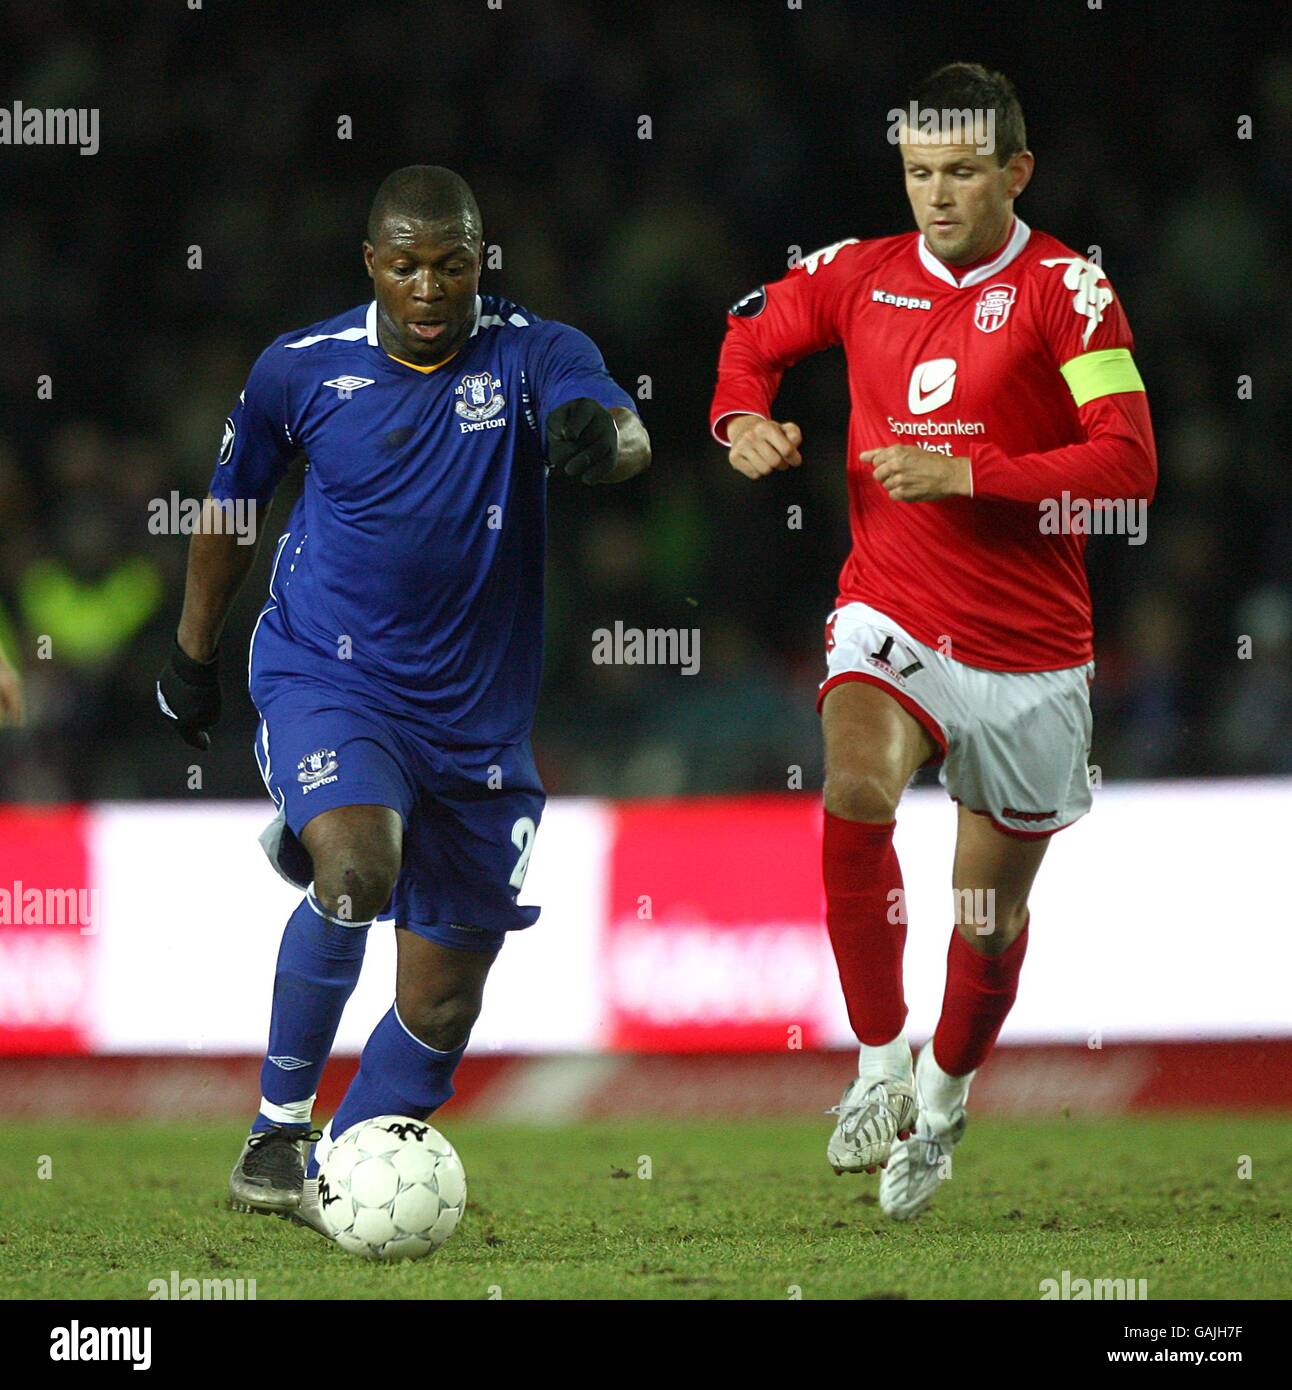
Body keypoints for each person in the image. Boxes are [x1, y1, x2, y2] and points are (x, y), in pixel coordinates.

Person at [158, 165, 649, 1226]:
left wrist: (598, 442)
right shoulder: (300, 370)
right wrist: (191, 659)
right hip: (330, 675)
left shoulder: (530, 352)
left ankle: (340, 1177)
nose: (429, 286)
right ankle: (276, 1136)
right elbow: (229, 509)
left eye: (452, 263)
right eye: (407, 264)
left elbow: (619, 425)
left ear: (480, 261)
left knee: (440, 998)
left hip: (476, 721)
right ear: (372, 263)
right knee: (356, 866)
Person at [709, 64, 1155, 1220]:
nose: (936, 196)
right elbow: (750, 331)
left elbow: (1126, 462)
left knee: (985, 925)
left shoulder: (1070, 291)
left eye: (961, 172)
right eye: (918, 173)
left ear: (1015, 170)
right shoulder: (860, 274)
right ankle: (873, 1062)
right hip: (893, 612)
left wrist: (973, 473)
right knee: (853, 786)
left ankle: (944, 1101)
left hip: (1032, 653)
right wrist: (740, 417)